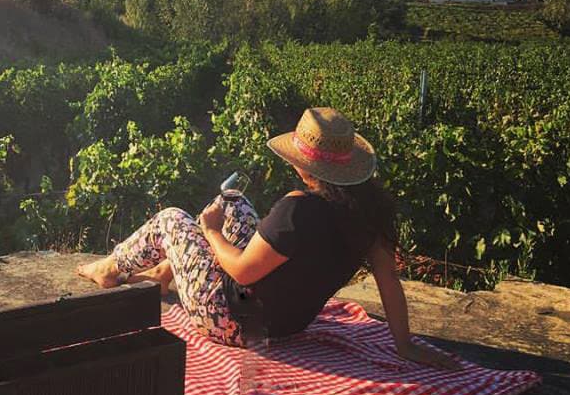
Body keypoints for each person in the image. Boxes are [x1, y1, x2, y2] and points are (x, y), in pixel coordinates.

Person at [77, 106, 459, 370]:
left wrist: (209, 230)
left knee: (171, 219)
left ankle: (110, 269)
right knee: (236, 203)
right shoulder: (368, 215)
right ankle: (165, 272)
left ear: (305, 164)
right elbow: (389, 281)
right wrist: (404, 345)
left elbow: (242, 273)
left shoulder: (297, 210)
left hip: (231, 319)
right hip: (288, 323)